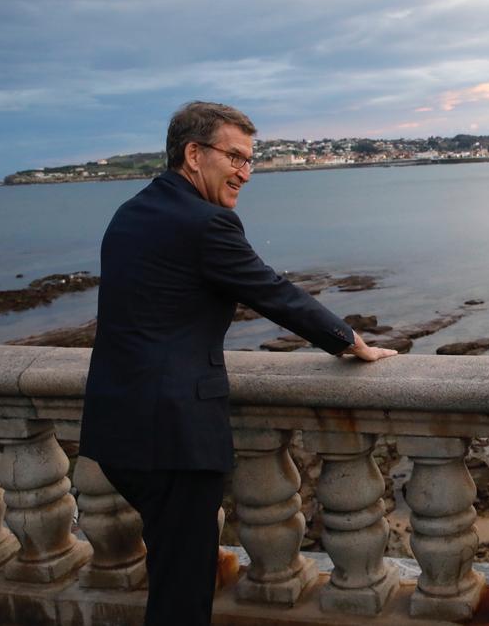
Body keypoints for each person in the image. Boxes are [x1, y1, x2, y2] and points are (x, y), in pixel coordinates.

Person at [79, 101, 397, 625]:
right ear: (193, 154)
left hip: (118, 427)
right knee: (183, 585)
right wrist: (349, 341)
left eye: (251, 160)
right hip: (173, 435)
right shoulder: (206, 223)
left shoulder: (132, 211)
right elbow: (272, 291)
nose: (245, 172)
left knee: (171, 563)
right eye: (234, 157)